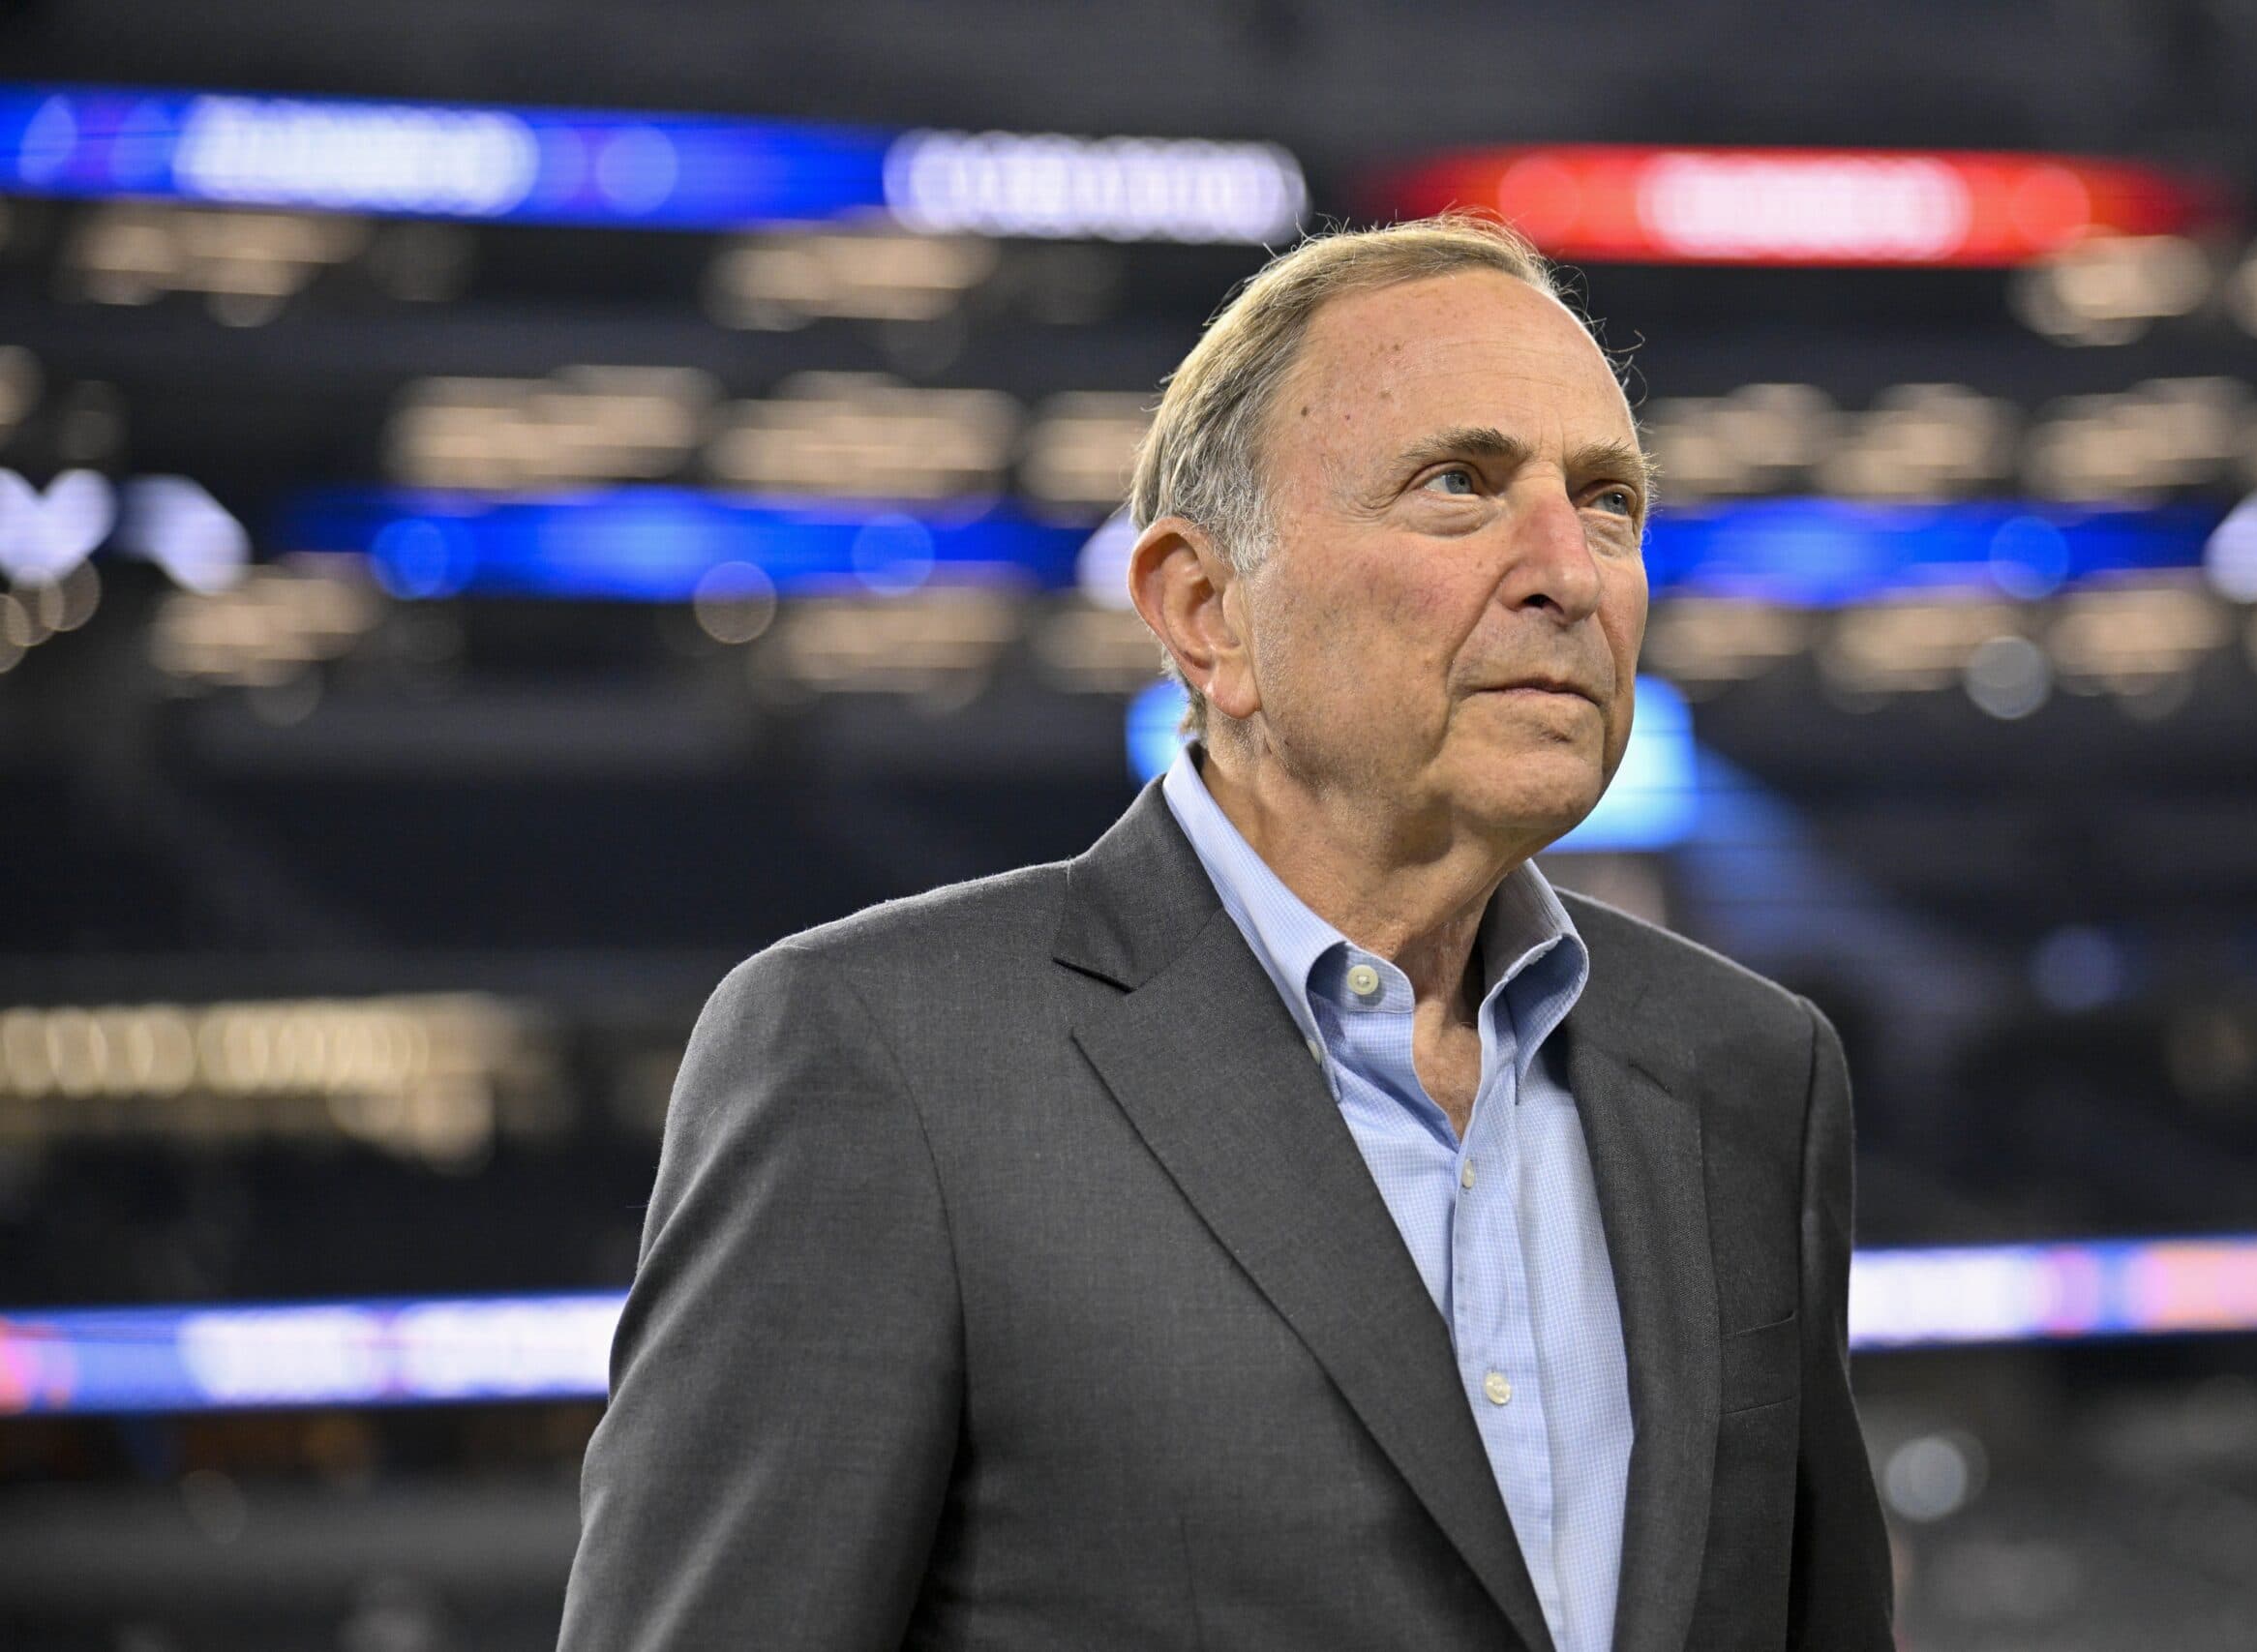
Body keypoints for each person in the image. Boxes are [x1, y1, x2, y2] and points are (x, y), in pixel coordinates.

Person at [557, 215, 1896, 1652]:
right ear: (1205, 614)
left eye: (1610, 502)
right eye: (1460, 484)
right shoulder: (881, 1062)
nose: (1571, 573)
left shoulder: (1752, 1073)